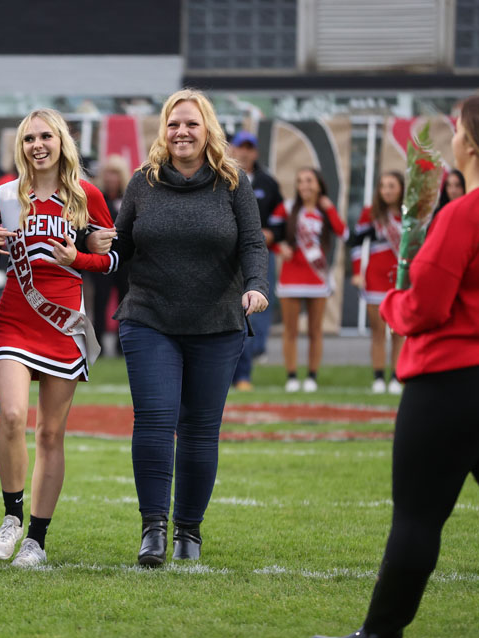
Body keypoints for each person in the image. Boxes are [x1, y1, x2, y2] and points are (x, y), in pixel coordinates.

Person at [309, 90, 479, 638]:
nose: (452, 134)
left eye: (457, 128)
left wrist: (391, 305)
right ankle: (379, 636)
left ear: (470, 142)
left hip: (450, 381)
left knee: (419, 517)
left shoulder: (466, 214)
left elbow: (424, 308)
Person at [111, 89, 268, 566]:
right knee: (155, 422)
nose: (182, 132)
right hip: (150, 318)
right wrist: (89, 246)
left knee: (200, 429)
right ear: (164, 129)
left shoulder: (234, 182)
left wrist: (257, 285)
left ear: (207, 131)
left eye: (191, 125)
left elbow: (254, 245)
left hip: (218, 322)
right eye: (174, 124)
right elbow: (120, 247)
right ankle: (153, 530)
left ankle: (188, 532)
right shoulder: (143, 182)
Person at [0, 109, 118, 568]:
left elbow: (113, 261)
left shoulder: (85, 195)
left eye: (46, 136)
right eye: (30, 137)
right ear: (22, 145)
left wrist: (79, 256)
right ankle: (11, 518)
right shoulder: (4, 194)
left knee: (51, 434)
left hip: (64, 325)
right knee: (13, 416)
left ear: (61, 142)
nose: (38, 145)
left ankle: (36, 539)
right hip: (15, 318)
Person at [271, 168, 347, 392]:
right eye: (300, 181)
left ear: (319, 184)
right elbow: (266, 234)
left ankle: (312, 376)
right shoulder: (286, 208)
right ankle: (292, 376)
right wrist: (278, 247)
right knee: (291, 331)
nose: (304, 185)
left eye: (309, 181)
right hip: (291, 277)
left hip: (317, 278)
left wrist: (330, 208)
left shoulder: (325, 211)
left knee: (315, 331)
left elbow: (344, 234)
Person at [229, 130, 283, 391]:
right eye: (241, 147)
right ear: (231, 149)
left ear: (256, 152)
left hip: (257, 253)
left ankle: (244, 375)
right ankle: (225, 375)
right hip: (225, 255)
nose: (245, 152)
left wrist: (272, 231)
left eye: (250, 148)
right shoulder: (221, 178)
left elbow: (281, 216)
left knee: (253, 314)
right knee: (226, 314)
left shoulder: (267, 183)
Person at [350, 171, 406, 394]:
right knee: (378, 331)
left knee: (399, 332)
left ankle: (396, 377)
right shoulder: (370, 213)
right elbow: (355, 244)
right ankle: (379, 377)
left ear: (401, 188)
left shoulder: (410, 214)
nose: (387, 191)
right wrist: (357, 272)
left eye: (392, 186)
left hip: (401, 279)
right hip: (375, 279)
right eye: (383, 186)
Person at [88, 154, 131, 355]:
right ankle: (99, 346)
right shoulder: (98, 198)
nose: (111, 178)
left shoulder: (129, 198)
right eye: (108, 173)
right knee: (100, 300)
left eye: (115, 173)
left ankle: (124, 346)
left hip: (125, 260)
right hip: (102, 258)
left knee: (126, 301)